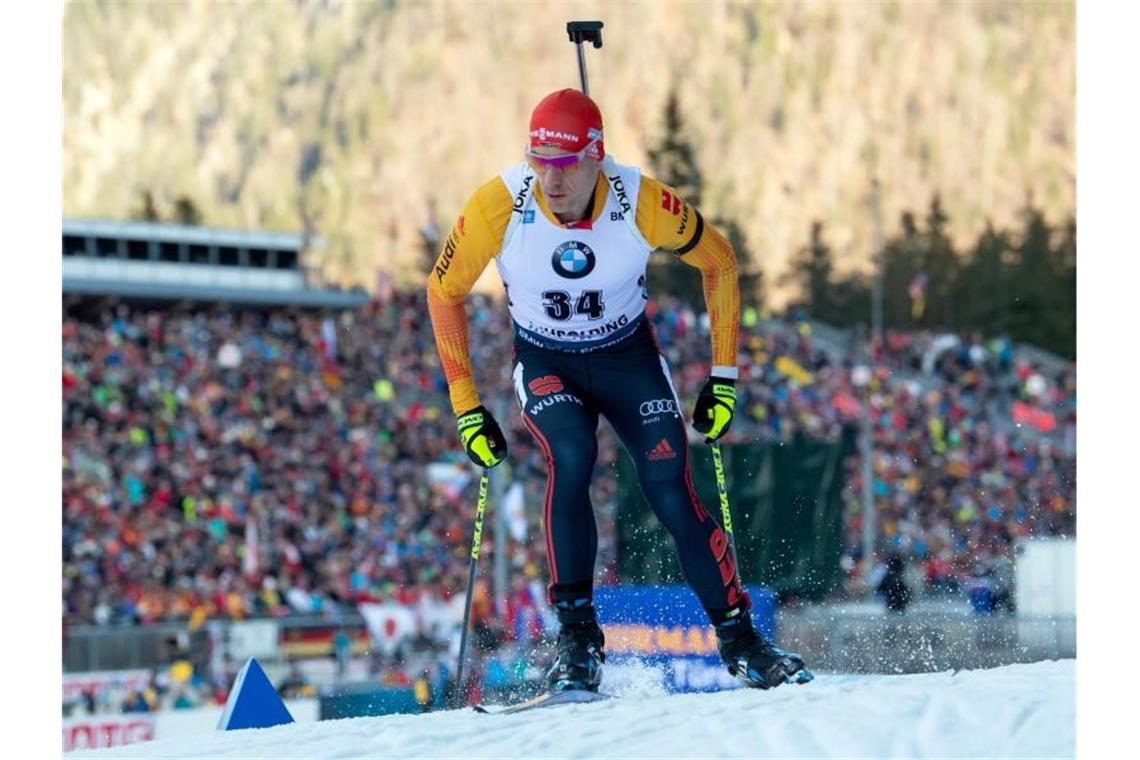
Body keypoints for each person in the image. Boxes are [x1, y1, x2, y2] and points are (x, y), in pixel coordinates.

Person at [426, 88, 810, 693]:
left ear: (596, 157)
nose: (551, 181)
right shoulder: (500, 203)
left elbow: (721, 262)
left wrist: (725, 377)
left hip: (626, 359)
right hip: (548, 359)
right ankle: (578, 643)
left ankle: (741, 641)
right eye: (539, 163)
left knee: (669, 487)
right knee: (572, 457)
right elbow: (443, 291)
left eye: (566, 164)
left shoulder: (642, 201)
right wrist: (467, 409)